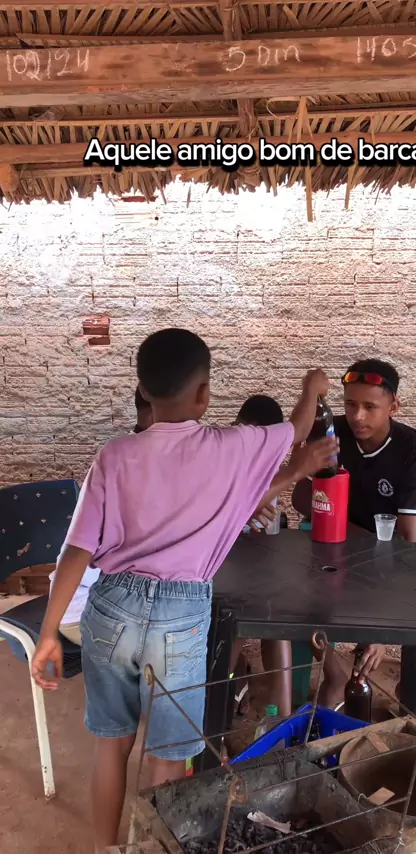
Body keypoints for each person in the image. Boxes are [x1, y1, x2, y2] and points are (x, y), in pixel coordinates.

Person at [32, 328, 336, 854]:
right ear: (204, 394)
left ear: (143, 392)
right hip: (180, 616)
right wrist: (312, 387)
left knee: (112, 745)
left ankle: (105, 849)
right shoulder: (230, 446)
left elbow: (76, 550)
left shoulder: (114, 455)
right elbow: (299, 427)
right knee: (168, 756)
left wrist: (47, 633)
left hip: (111, 608)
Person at [292, 358, 416, 706]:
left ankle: (410, 687)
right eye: (350, 404)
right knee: (295, 598)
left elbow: (408, 542)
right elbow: (300, 495)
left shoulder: (414, 450)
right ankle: (334, 674)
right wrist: (343, 527)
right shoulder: (332, 433)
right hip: (346, 545)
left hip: (407, 557)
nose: (357, 416)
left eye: (370, 407)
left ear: (393, 406)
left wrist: (384, 627)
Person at [48, 386, 153, 648]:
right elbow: (78, 551)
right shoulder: (123, 463)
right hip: (86, 605)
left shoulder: (134, 458)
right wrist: (48, 631)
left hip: (109, 597)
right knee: (172, 642)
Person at [230, 395, 292, 719]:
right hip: (221, 561)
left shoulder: (269, 468)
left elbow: (262, 524)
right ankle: (226, 686)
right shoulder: (220, 459)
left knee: (276, 617)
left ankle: (281, 717)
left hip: (255, 558)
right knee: (233, 620)